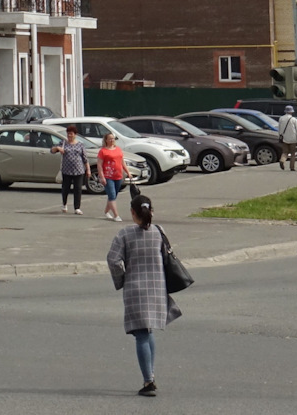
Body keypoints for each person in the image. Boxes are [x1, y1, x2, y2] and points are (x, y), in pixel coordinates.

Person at [106, 193, 181, 397]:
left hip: (135, 289)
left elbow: (113, 260)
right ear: (152, 211)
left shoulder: (125, 234)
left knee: (141, 334)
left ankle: (149, 381)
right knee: (148, 332)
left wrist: (121, 279)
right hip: (157, 288)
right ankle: (151, 374)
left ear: (132, 212)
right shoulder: (159, 231)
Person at [51, 126, 89, 215]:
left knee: (78, 189)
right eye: (68, 134)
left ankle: (77, 208)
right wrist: (57, 148)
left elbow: (85, 158)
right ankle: (64, 204)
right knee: (65, 188)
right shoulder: (63, 143)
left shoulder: (80, 144)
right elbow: (52, 150)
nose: (69, 136)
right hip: (66, 170)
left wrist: (88, 170)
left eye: (71, 134)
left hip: (79, 170)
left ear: (75, 135)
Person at [97, 133, 127, 222]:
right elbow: (99, 165)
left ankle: (106, 211)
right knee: (112, 195)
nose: (112, 140)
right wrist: (102, 177)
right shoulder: (102, 151)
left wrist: (128, 172)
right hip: (108, 176)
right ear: (106, 140)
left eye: (113, 139)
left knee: (113, 196)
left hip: (118, 175)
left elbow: (122, 162)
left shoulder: (118, 149)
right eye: (110, 139)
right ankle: (116, 215)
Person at [277, 105, 297, 170]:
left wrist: (280, 136)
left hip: (284, 138)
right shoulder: (294, 120)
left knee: (285, 152)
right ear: (291, 112)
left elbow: (279, 129)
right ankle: (292, 167)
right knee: (293, 153)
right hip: (293, 139)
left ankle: (282, 160)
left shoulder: (281, 118)